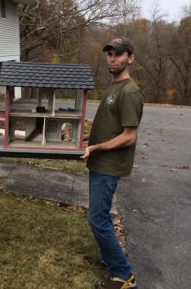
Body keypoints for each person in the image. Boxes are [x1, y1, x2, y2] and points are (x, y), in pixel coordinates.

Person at [81, 37, 143, 289]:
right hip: (99, 163)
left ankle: (123, 275)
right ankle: (110, 258)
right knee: (99, 217)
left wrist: (94, 147)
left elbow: (129, 136)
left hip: (109, 166)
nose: (113, 58)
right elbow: (109, 128)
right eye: (109, 54)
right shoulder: (113, 88)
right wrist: (83, 137)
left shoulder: (129, 91)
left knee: (97, 219)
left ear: (130, 58)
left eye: (118, 54)